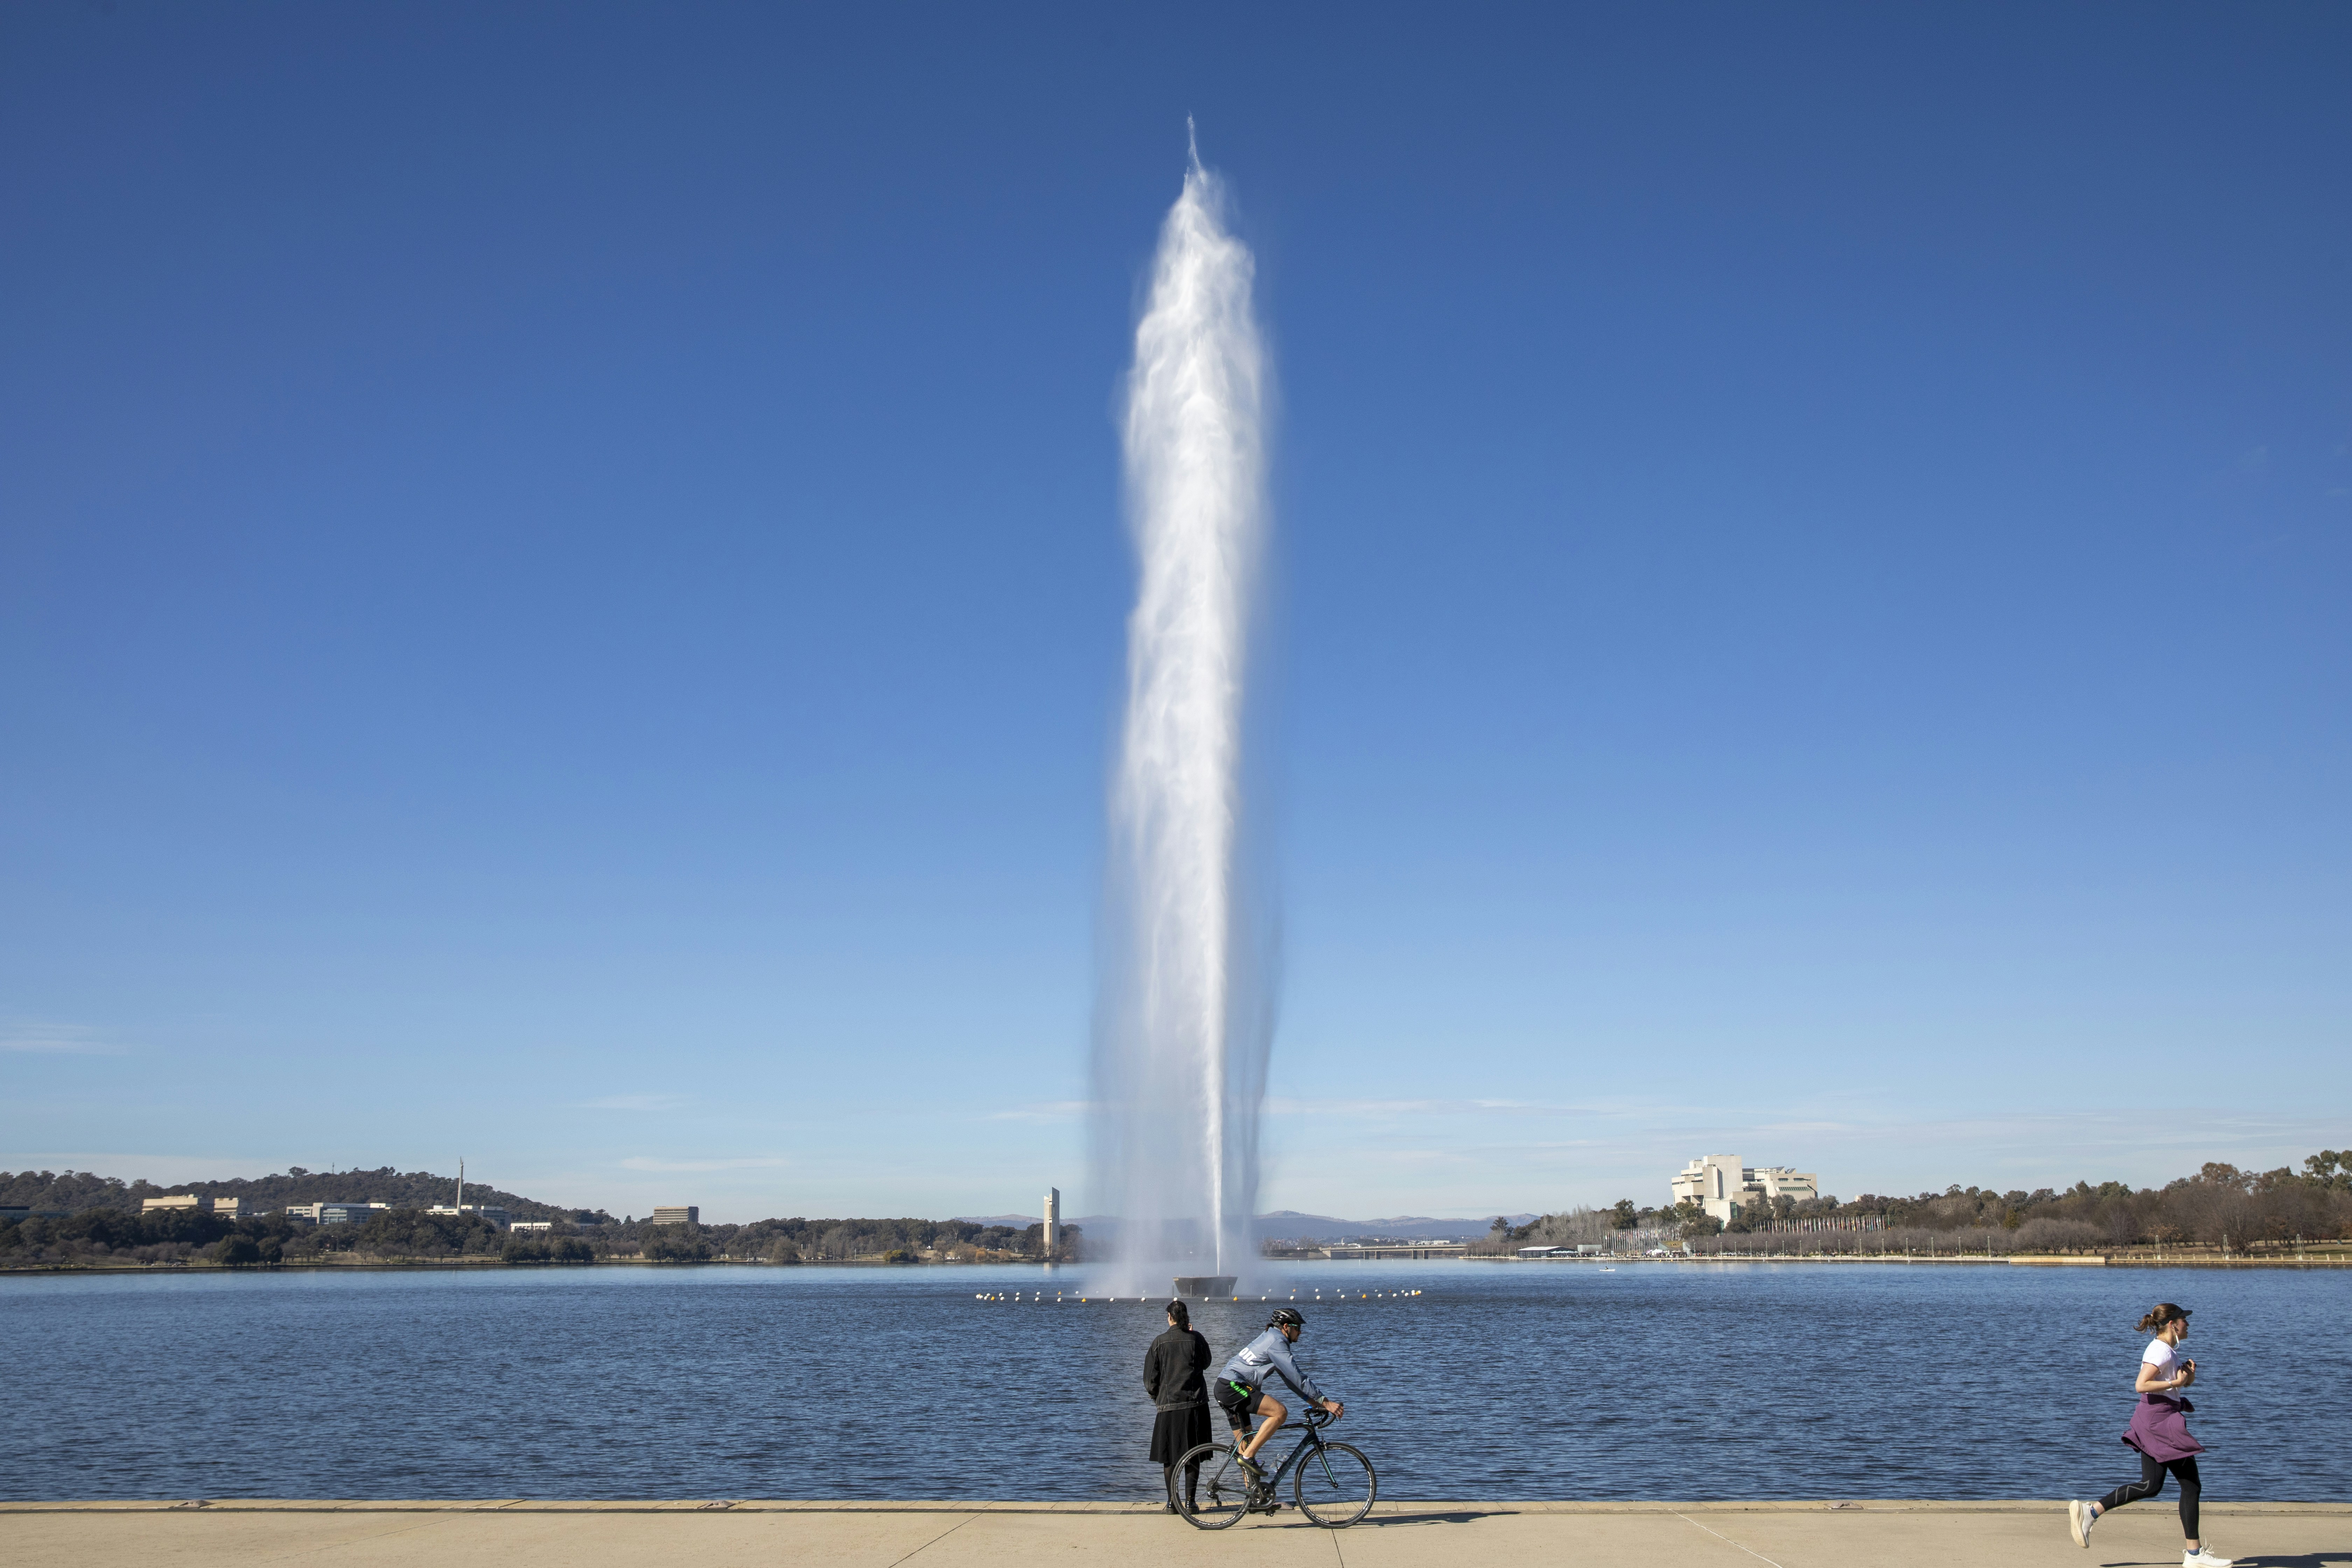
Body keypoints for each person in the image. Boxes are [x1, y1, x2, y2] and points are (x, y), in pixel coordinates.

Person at [2068, 1303, 2231, 1568]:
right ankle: (2194, 1555)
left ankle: (2091, 1512)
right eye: (2184, 1321)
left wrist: (2186, 1379)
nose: (2188, 1324)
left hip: (2156, 1421)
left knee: (2151, 1486)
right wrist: (2175, 1383)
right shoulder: (2160, 1351)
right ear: (2172, 1325)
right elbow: (2141, 1385)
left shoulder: (2168, 1351)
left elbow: (2170, 1385)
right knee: (2190, 1485)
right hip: (2160, 1424)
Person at [1214, 1307, 1343, 1504]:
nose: (1300, 1332)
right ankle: (1248, 1457)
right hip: (1233, 1387)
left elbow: (1291, 1382)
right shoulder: (1277, 1342)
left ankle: (1253, 1500)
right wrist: (1325, 1402)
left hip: (1227, 1387)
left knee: (1246, 1447)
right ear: (1286, 1327)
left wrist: (1315, 1403)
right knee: (1280, 1413)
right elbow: (1298, 1377)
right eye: (1297, 1328)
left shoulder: (1273, 1339)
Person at [1144, 1300, 1213, 1513]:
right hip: (1196, 1406)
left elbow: (1149, 1380)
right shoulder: (1197, 1339)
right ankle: (1191, 1502)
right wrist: (1193, 1336)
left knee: (1170, 1457)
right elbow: (1207, 1363)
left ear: (1169, 1318)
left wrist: (1158, 1399)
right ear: (1186, 1317)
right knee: (1193, 1455)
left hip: (1168, 1407)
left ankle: (1172, 1503)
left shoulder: (1159, 1342)